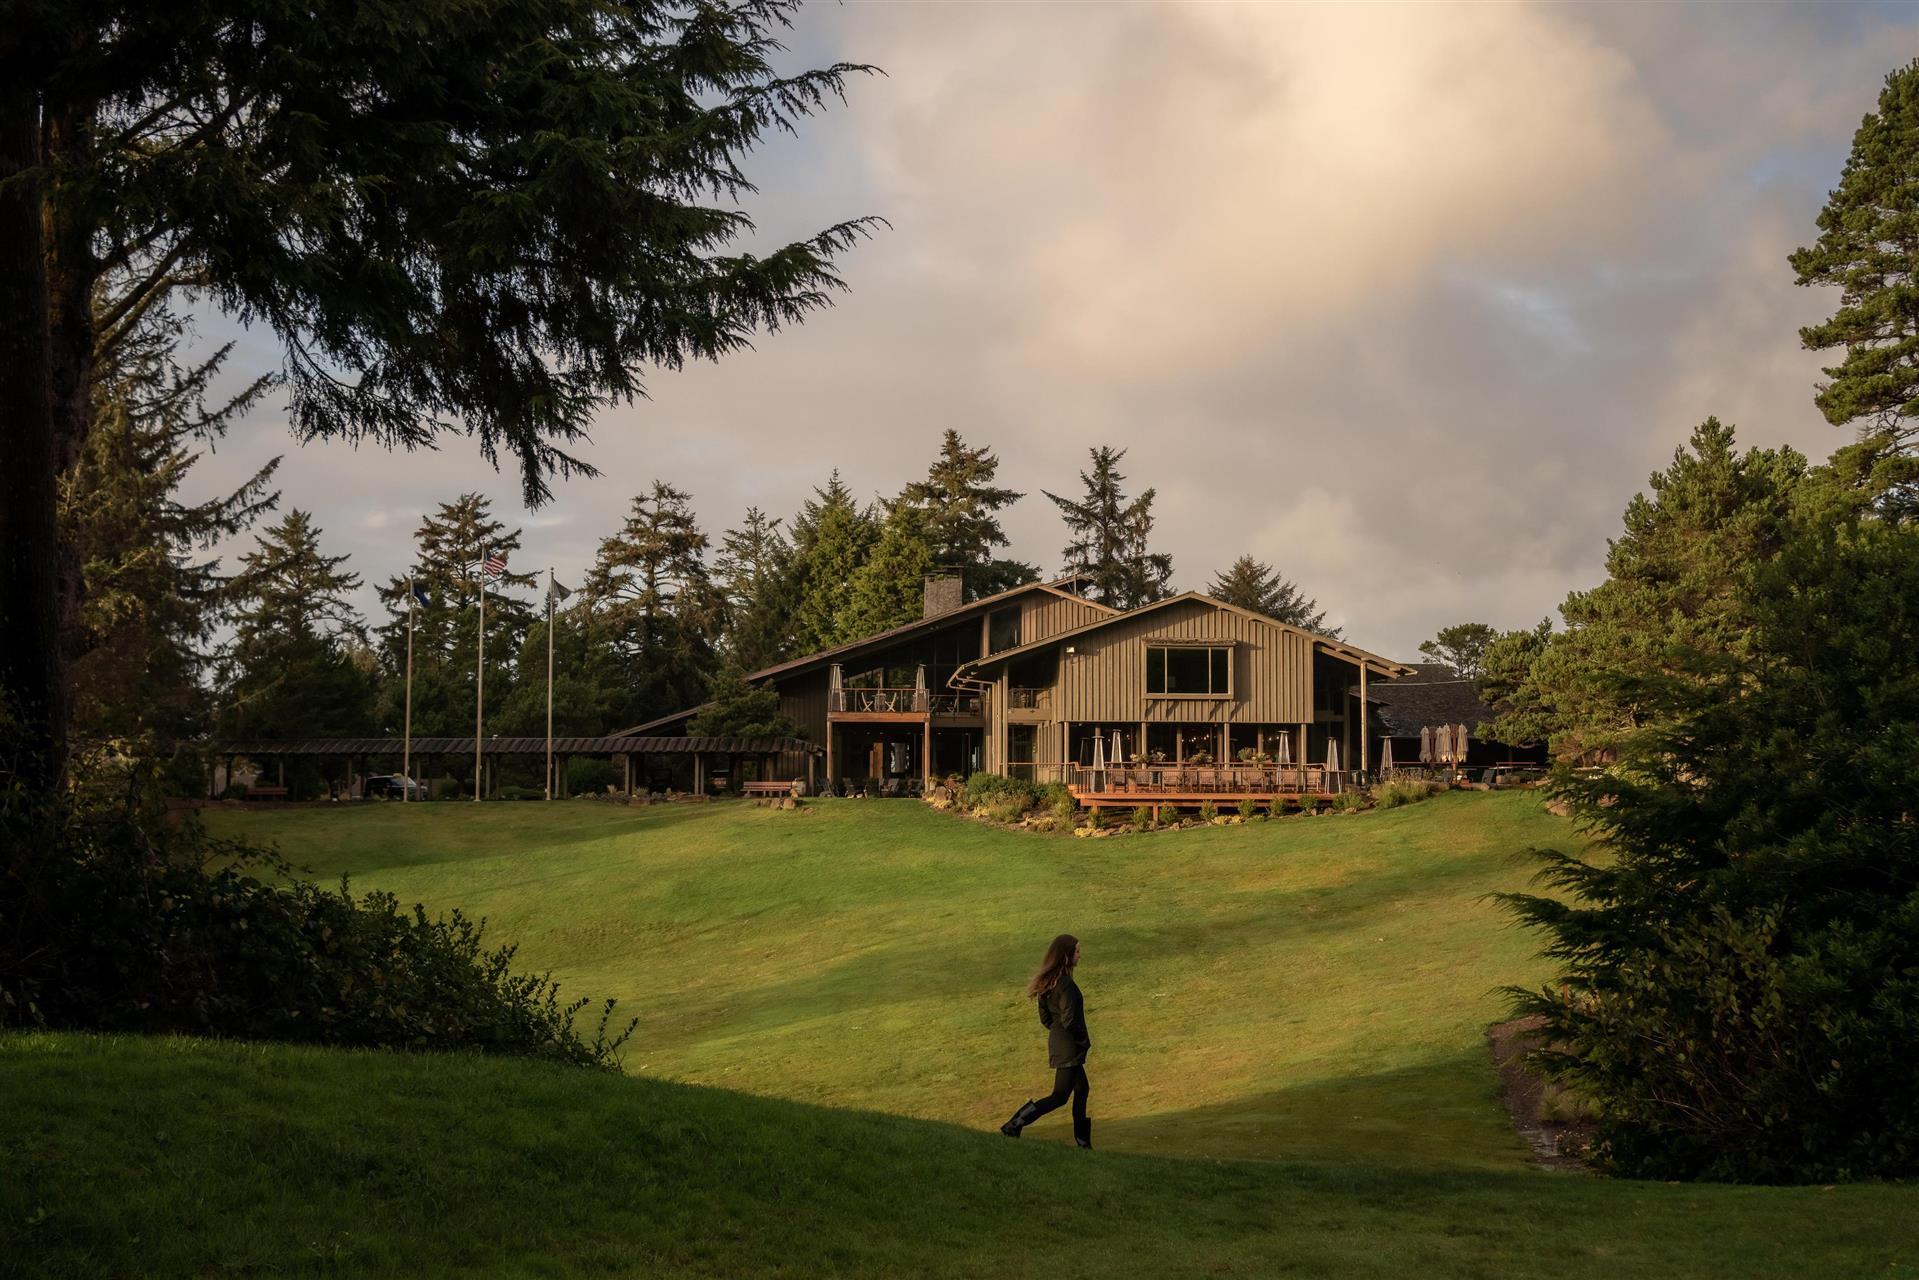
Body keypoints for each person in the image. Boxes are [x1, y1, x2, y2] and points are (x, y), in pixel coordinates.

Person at [999, 932, 1092, 1148]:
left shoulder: (1049, 983)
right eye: (1077, 952)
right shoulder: (1066, 984)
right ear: (1066, 955)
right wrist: (1081, 1040)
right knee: (1059, 1096)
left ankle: (1084, 1144)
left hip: (1061, 1044)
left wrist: (1059, 1034)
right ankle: (1014, 1124)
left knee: (1082, 1089)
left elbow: (1046, 1018)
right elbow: (1069, 1021)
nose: (1080, 956)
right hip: (1069, 1046)